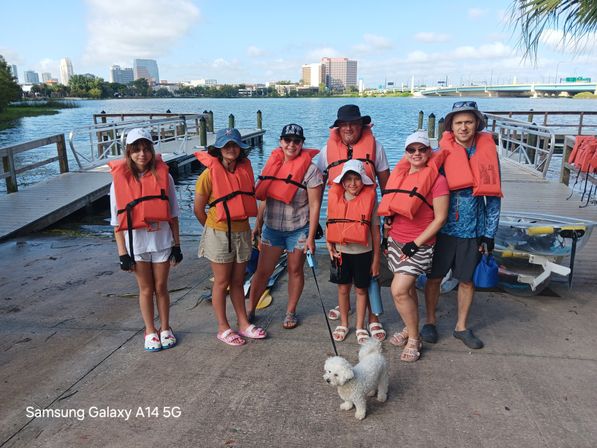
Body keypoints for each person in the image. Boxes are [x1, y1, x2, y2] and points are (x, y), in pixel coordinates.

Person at [422, 101, 502, 349]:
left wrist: (489, 234)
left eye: (468, 121)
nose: (464, 127)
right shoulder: (440, 154)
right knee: (434, 277)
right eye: (459, 122)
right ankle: (431, 321)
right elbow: (424, 189)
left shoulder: (488, 154)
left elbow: (494, 198)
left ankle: (461, 327)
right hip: (442, 228)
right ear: (451, 126)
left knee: (467, 280)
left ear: (477, 123)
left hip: (472, 231)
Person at [316, 104, 390, 339]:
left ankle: (372, 318)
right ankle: (346, 311)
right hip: (340, 228)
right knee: (344, 283)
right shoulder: (326, 151)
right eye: (344, 124)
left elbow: (386, 185)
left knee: (370, 273)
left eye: (353, 123)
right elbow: (314, 181)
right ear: (337, 127)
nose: (348, 128)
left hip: (367, 220)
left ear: (362, 125)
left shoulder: (376, 147)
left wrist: (389, 218)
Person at [109, 128, 183, 352]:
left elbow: (173, 214)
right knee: (145, 289)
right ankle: (150, 330)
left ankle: (165, 327)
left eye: (146, 149)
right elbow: (116, 222)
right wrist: (122, 254)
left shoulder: (165, 176)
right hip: (137, 245)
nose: (142, 154)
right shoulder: (118, 182)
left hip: (161, 241)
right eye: (136, 150)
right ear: (129, 152)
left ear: (151, 150)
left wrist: (176, 246)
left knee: (161, 287)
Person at [378, 131, 449, 361]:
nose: (417, 153)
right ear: (406, 153)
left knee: (397, 290)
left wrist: (415, 244)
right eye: (412, 150)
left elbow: (440, 218)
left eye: (422, 149)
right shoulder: (401, 176)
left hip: (418, 245)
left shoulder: (437, 181)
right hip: (396, 240)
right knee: (406, 291)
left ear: (429, 152)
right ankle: (410, 327)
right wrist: (388, 223)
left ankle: (414, 338)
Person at [194, 128, 267, 346]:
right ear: (218, 149)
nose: (231, 149)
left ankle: (243, 323)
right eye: (226, 145)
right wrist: (212, 230)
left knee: (238, 280)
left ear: (240, 148)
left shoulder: (245, 170)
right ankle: (223, 327)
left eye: (234, 145)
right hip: (218, 233)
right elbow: (199, 209)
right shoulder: (208, 175)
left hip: (242, 232)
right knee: (222, 281)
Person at [248, 124, 323, 329]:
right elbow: (264, 197)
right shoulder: (272, 165)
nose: (291, 145)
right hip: (272, 228)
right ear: (281, 142)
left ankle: (290, 312)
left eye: (296, 141)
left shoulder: (311, 171)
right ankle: (250, 310)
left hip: (298, 229)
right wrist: (258, 223)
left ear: (302, 144)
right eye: (287, 140)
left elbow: (315, 205)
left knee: (294, 270)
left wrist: (310, 237)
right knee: (262, 271)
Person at [326, 159, 382, 345]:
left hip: (363, 253)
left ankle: (360, 326)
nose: (352, 183)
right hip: (341, 252)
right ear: (342, 182)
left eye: (356, 179)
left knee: (361, 289)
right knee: (342, 289)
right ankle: (344, 323)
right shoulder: (336, 198)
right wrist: (329, 245)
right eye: (348, 179)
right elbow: (329, 223)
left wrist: (376, 259)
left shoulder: (371, 200)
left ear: (363, 181)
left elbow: (375, 231)